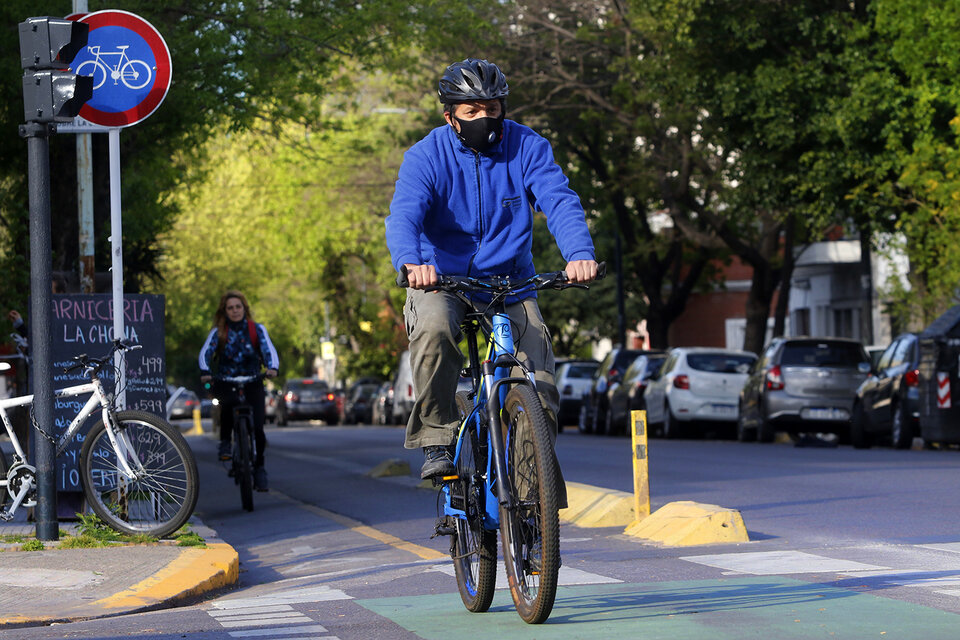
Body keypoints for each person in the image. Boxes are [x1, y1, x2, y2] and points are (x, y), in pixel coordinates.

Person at [384, 58, 598, 480]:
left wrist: (579, 254)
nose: (485, 117)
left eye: (493, 108)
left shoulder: (527, 147)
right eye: (472, 111)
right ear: (451, 117)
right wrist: (412, 263)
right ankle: (435, 438)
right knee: (435, 330)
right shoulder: (426, 156)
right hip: (441, 279)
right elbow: (404, 215)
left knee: (538, 380)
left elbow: (559, 200)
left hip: (510, 282)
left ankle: (527, 485)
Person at [199, 290, 279, 491]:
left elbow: (269, 351)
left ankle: (259, 467)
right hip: (227, 381)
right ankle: (225, 442)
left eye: (238, 307)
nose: (235, 311)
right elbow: (205, 354)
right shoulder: (219, 331)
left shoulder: (256, 329)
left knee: (259, 429)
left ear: (244, 308)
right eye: (230, 308)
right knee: (227, 405)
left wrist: (272, 368)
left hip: (253, 380)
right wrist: (205, 371)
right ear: (224, 311)